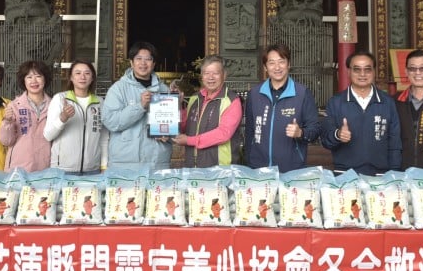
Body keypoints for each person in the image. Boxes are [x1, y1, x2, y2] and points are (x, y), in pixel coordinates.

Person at [321, 50, 402, 175]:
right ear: (348, 72)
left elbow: (395, 142)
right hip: (346, 175)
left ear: (374, 72)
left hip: (380, 176)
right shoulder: (336, 102)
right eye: (357, 69)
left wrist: (394, 173)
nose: (362, 74)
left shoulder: (387, 102)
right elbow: (326, 140)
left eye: (367, 69)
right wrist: (338, 135)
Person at [243, 43, 321, 173]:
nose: (277, 67)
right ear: (265, 67)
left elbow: (315, 129)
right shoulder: (255, 94)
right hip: (259, 169)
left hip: (291, 170)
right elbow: (250, 131)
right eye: (271, 63)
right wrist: (250, 161)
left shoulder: (302, 93)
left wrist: (301, 133)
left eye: (281, 62)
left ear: (288, 64)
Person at [102, 41, 173, 170]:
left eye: (148, 59)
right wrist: (140, 106)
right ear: (131, 62)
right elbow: (110, 121)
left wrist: (168, 135)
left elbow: (170, 127)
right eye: (138, 58)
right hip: (125, 163)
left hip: (157, 162)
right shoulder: (118, 89)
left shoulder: (164, 89)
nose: (143, 63)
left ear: (154, 64)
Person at [172, 55, 242, 168]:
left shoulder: (231, 100)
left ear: (224, 75)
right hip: (192, 166)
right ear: (202, 76)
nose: (211, 77)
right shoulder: (195, 98)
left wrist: (189, 140)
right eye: (206, 73)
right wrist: (177, 105)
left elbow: (223, 134)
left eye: (215, 73)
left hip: (220, 169)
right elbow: (185, 127)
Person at [45, 60, 109, 174]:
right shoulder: (60, 99)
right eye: (78, 73)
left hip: (92, 170)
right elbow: (48, 135)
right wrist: (63, 118)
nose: (82, 77)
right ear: (71, 77)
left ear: (92, 78)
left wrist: (104, 165)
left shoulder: (99, 102)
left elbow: (103, 137)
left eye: (87, 73)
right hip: (63, 170)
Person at [0, 60, 52, 172]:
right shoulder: (14, 105)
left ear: (45, 79)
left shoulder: (54, 105)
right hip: (18, 168)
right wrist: (7, 121)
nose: (34, 81)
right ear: (23, 80)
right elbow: (6, 141)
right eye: (29, 77)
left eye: (38, 76)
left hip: (45, 168)